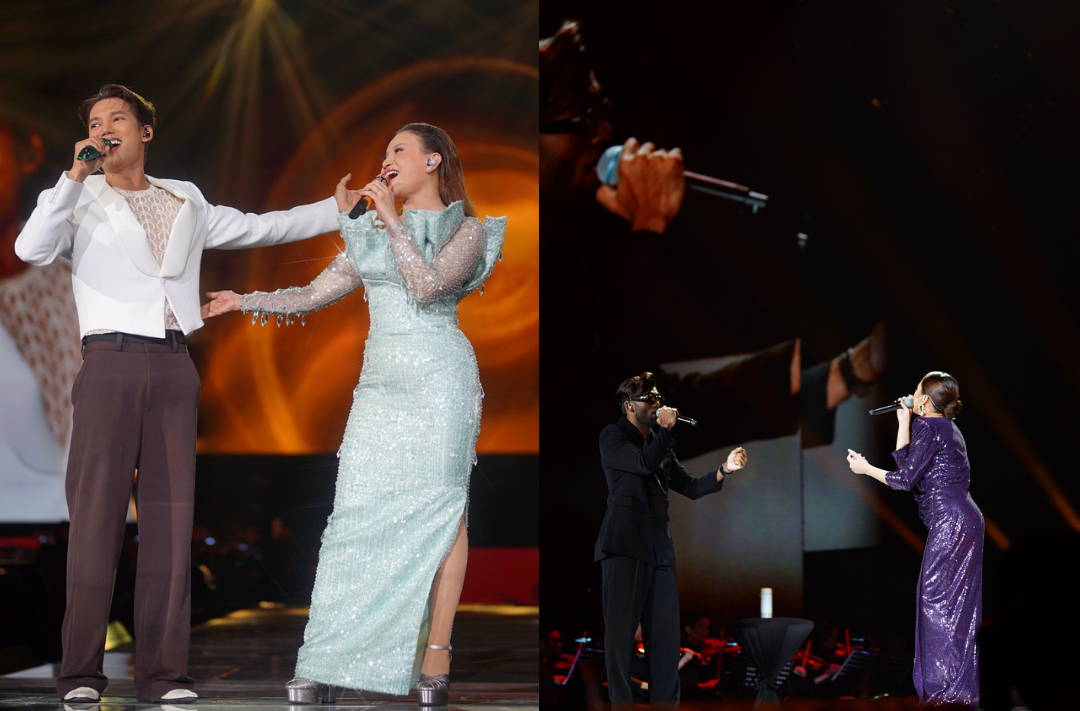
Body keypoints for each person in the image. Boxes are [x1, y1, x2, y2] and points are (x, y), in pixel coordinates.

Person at [14, 84, 341, 704]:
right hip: (107, 361)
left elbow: (260, 228)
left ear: (145, 132)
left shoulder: (184, 198)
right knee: (95, 523)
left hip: (172, 363)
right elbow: (29, 248)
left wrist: (336, 208)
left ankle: (163, 676)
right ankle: (81, 674)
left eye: (117, 118)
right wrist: (72, 177)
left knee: (169, 523)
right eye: (94, 120)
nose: (104, 126)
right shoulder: (77, 196)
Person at [201, 123, 505, 706]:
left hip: (440, 380)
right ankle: (326, 659)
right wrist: (246, 300)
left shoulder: (466, 228)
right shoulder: (365, 231)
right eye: (384, 151)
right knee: (351, 522)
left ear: (433, 161)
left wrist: (388, 220)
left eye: (398, 150)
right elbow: (313, 293)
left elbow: (427, 287)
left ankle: (435, 660)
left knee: (444, 515)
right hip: (380, 388)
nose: (385, 160)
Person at [595, 371, 747, 710]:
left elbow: (690, 486)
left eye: (659, 397)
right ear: (629, 406)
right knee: (620, 638)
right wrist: (663, 431)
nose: (658, 403)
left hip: (659, 551)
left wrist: (725, 469)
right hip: (622, 548)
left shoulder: (659, 444)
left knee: (664, 640)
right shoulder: (613, 437)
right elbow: (643, 466)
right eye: (650, 398)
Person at [846, 371, 983, 707]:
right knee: (957, 606)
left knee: (935, 602)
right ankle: (959, 691)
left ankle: (945, 694)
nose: (911, 393)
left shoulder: (930, 427)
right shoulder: (945, 428)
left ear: (924, 399)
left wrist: (866, 470)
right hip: (965, 519)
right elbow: (909, 466)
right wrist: (902, 422)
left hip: (951, 522)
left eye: (916, 389)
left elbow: (903, 480)